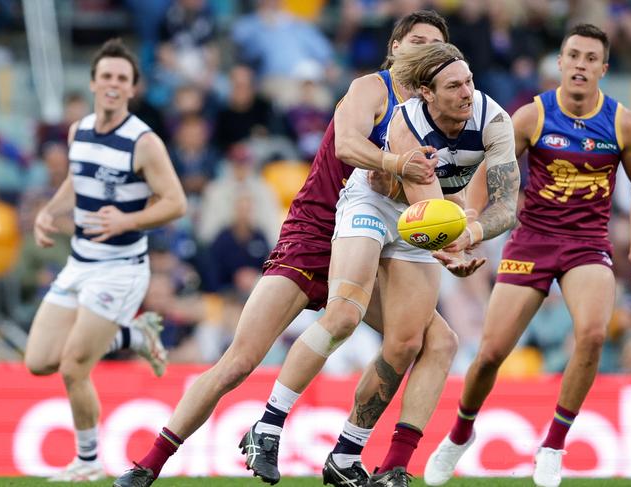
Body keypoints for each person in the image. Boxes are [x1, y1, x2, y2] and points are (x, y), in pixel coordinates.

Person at [113, 10, 449, 487]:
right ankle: (148, 464)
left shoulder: (433, 114)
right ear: (395, 47)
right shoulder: (371, 89)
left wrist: (451, 240)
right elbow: (350, 147)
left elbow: (427, 196)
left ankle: (373, 458)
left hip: (370, 248)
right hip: (315, 233)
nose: (424, 52)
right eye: (417, 41)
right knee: (238, 362)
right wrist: (397, 165)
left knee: (434, 341)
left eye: (435, 46)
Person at [243, 41, 520, 487]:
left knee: (408, 343)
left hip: (426, 216)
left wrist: (467, 235)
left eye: (469, 81)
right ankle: (269, 426)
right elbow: (424, 206)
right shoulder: (405, 121)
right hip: (373, 202)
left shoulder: (495, 120)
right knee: (343, 314)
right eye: (454, 86)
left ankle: (352, 454)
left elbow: (507, 204)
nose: (467, 92)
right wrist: (448, 244)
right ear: (426, 94)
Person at [424, 24, 631, 487]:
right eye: (573, 56)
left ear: (604, 68)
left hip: (587, 245)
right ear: (559, 64)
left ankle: (554, 445)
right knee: (489, 354)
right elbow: (489, 171)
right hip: (534, 240)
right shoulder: (530, 117)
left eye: (590, 58)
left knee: (592, 334)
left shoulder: (624, 123)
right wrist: (469, 222)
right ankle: (461, 432)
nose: (581, 65)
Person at [24, 38, 187, 482]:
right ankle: (135, 335)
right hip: (80, 261)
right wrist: (49, 212)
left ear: (132, 89)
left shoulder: (143, 141)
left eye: (122, 78)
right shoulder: (79, 131)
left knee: (75, 365)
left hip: (120, 268)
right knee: (39, 361)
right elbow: (78, 181)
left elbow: (175, 203)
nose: (113, 85)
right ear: (94, 82)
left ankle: (88, 461)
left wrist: (126, 220)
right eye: (107, 77)